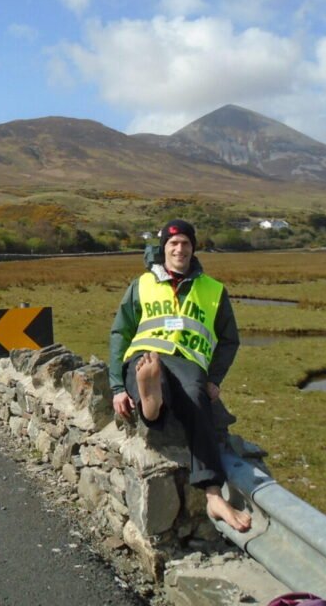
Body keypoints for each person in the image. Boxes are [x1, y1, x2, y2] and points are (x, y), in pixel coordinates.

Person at [109, 219, 252, 532]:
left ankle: (213, 495)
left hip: (187, 360)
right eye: (173, 244)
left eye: (185, 243)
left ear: (193, 248)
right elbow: (121, 332)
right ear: (163, 249)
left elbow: (229, 339)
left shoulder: (213, 290)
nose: (179, 248)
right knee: (147, 373)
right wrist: (117, 386)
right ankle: (149, 400)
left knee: (196, 396)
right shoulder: (142, 284)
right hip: (146, 354)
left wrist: (214, 379)